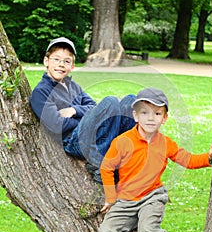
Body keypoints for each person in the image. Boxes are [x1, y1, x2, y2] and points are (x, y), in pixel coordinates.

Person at [98, 87, 212, 232]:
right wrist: (111, 198)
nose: (150, 118)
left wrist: (208, 157)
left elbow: (187, 160)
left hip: (152, 197)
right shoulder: (122, 142)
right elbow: (106, 168)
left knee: (148, 231)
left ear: (164, 118)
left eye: (157, 113)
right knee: (108, 230)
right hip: (126, 200)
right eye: (144, 112)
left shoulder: (166, 143)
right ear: (135, 116)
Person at [30, 37, 135, 183]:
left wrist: (74, 110)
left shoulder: (73, 86)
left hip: (92, 133)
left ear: (72, 66)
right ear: (46, 61)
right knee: (110, 102)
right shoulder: (41, 92)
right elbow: (56, 125)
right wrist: (86, 119)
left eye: (67, 61)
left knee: (131, 101)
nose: (61, 65)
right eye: (56, 59)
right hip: (74, 141)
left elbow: (93, 106)